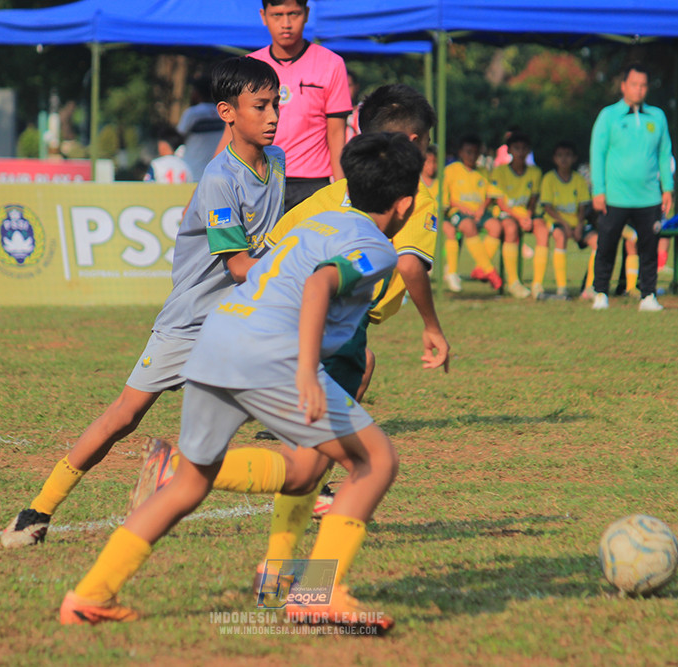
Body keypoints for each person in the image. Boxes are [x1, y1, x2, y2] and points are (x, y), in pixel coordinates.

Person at [58, 132, 424, 632]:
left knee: (204, 481)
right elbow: (320, 284)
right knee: (375, 459)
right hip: (269, 355)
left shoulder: (319, 222)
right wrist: (304, 375)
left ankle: (90, 595)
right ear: (405, 204)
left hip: (216, 341)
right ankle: (321, 594)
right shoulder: (377, 249)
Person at [131, 84, 450, 592]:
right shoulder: (411, 200)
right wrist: (432, 327)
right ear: (416, 143)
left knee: (307, 468)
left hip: (254, 327)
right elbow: (407, 263)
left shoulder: (326, 196)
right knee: (362, 463)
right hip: (321, 338)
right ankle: (317, 590)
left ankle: (276, 570)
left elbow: (269, 256)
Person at [0, 56, 285, 548]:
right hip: (190, 322)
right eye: (260, 106)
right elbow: (239, 265)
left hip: (235, 322)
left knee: (291, 400)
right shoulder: (220, 179)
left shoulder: (276, 162)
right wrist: (298, 269)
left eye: (277, 103)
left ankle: (312, 495)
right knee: (124, 416)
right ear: (227, 112)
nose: (274, 115)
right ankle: (37, 510)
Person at [243, 0, 353, 211]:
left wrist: (343, 192)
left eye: (294, 14)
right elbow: (233, 132)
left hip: (312, 185)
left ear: (307, 13)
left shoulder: (331, 64)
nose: (286, 23)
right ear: (263, 15)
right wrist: (202, 190)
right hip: (260, 180)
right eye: (277, 15)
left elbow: (337, 135)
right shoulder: (250, 66)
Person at [589, 62, 673, 312]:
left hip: (649, 197)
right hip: (615, 196)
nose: (638, 90)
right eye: (634, 84)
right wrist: (598, 190)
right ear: (624, 86)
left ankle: (648, 296)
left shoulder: (657, 116)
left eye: (643, 85)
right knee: (607, 245)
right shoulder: (608, 116)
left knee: (649, 247)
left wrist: (667, 188)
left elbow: (664, 153)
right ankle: (600, 292)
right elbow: (597, 154)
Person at [441, 135, 503, 293]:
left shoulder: (483, 171)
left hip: (479, 211)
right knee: (468, 227)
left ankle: (480, 268)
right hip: (458, 212)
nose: (472, 156)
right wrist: (461, 207)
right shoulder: (451, 170)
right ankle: (489, 270)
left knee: (496, 227)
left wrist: (483, 207)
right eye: (468, 152)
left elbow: (491, 193)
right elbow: (446, 199)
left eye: (476, 153)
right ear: (461, 152)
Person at [490, 132, 542, 298]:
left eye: (524, 149)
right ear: (510, 151)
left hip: (524, 215)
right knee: (510, 228)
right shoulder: (500, 172)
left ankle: (537, 284)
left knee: (542, 229)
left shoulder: (535, 172)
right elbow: (500, 203)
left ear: (529, 151)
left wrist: (528, 215)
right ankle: (513, 282)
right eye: (516, 148)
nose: (520, 152)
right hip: (506, 214)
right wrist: (520, 218)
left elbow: (533, 199)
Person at [539, 141, 589, 298]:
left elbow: (583, 206)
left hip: (576, 224)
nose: (564, 159)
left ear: (574, 158)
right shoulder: (549, 179)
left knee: (598, 241)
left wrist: (580, 225)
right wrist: (564, 224)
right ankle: (562, 287)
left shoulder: (579, 180)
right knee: (560, 236)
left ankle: (590, 288)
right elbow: (548, 207)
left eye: (568, 155)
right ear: (554, 159)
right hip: (557, 222)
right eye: (560, 155)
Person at [176, 73, 225, 181]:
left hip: (192, 171)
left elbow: (177, 138)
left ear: (196, 93)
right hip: (216, 173)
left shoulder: (192, 113)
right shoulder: (221, 112)